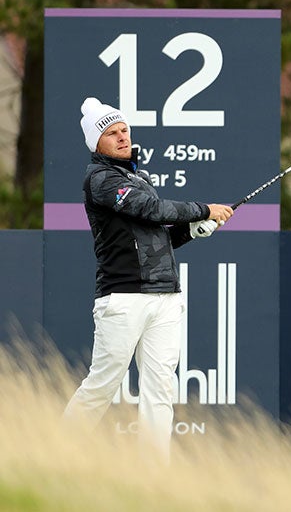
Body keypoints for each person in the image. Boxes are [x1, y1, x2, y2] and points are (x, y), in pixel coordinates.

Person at [63, 97, 234, 463]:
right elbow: (150, 209)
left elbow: (158, 239)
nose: (122, 137)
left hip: (166, 298)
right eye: (112, 133)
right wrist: (204, 209)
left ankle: (154, 473)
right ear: (97, 143)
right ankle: (54, 455)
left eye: (124, 129)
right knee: (103, 385)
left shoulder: (138, 178)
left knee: (160, 389)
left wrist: (192, 231)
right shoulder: (100, 180)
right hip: (122, 298)